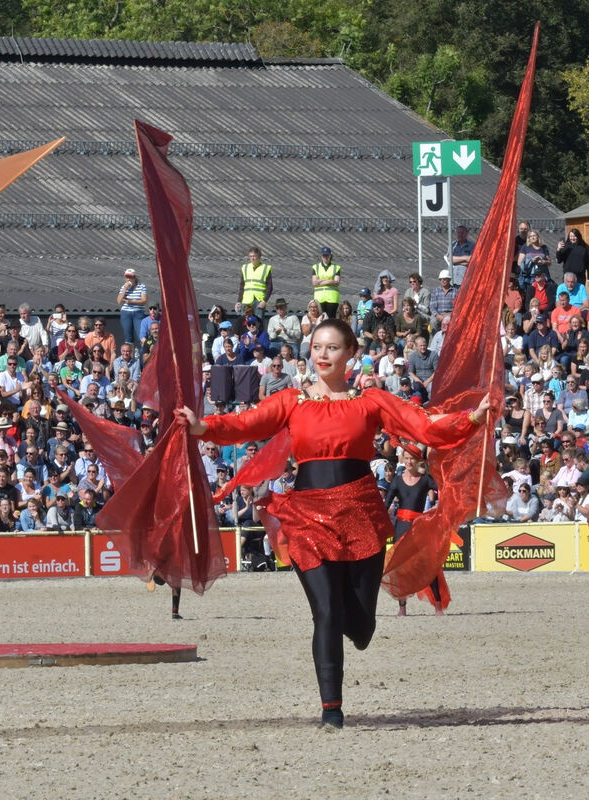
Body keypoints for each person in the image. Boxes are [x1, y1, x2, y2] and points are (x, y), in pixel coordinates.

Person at [178, 318, 490, 729]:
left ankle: (355, 624)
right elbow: (245, 424)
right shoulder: (292, 400)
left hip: (360, 512)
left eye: (332, 348)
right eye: (317, 347)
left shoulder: (373, 400)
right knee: (325, 612)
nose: (322, 354)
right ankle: (332, 711)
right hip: (308, 515)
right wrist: (202, 428)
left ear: (350, 354)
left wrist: (473, 418)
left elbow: (424, 426)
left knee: (360, 628)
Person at [383, 443, 441, 616]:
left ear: (417, 461)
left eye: (412, 459)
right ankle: (402, 607)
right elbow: (385, 506)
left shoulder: (425, 480)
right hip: (401, 527)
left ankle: (438, 605)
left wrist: (437, 508)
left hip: (419, 527)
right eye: (406, 458)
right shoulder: (397, 481)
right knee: (400, 568)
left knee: (428, 565)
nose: (408, 462)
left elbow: (444, 490)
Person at [236, 245, 273, 317]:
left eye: (254, 256)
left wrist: (264, 301)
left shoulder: (265, 268)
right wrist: (238, 301)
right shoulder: (245, 268)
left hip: (259, 300)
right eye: (250, 256)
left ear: (259, 257)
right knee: (244, 321)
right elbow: (242, 286)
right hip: (246, 299)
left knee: (258, 321)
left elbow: (270, 287)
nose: (252, 258)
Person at [310, 246, 342, 317]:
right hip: (319, 298)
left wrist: (321, 280)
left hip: (332, 298)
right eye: (324, 255)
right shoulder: (316, 267)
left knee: (331, 319)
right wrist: (329, 280)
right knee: (320, 319)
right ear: (321, 256)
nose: (325, 257)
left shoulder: (336, 267)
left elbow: (336, 282)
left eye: (327, 255)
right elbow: (314, 282)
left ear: (330, 255)